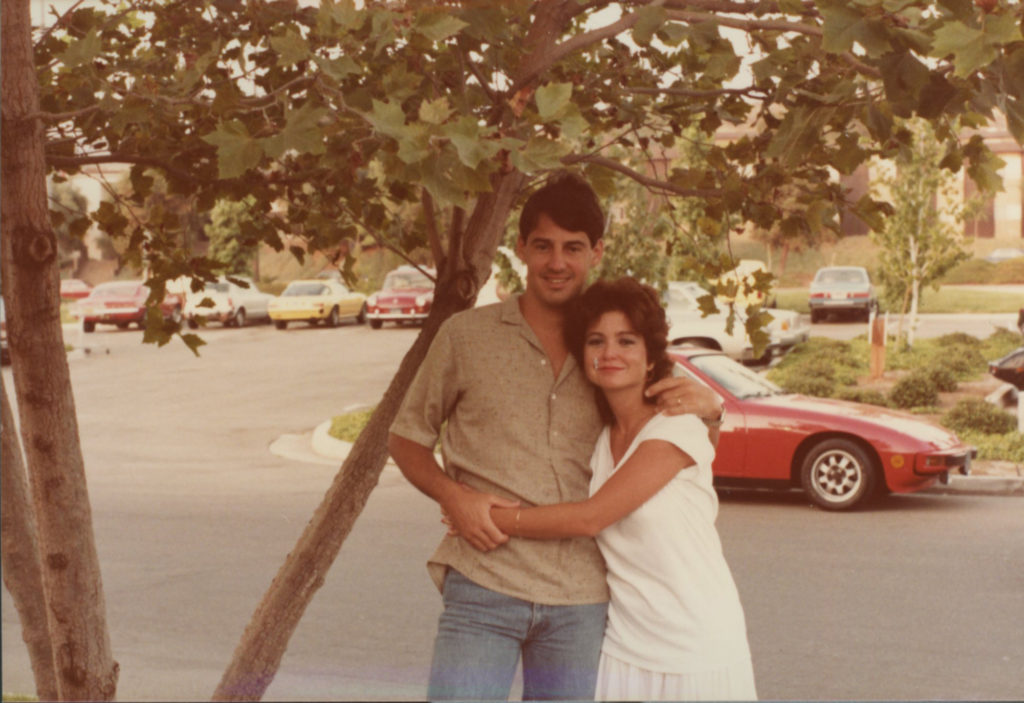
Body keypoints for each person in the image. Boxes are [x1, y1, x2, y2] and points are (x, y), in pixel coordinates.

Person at [388, 173, 725, 701]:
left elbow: (680, 441)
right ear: (520, 248)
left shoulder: (611, 349)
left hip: (583, 601)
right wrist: (454, 496)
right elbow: (406, 438)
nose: (557, 262)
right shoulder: (466, 338)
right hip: (483, 584)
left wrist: (715, 407)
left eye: (573, 248)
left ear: (597, 251)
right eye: (542, 246)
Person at [469, 277, 756, 701]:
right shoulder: (601, 439)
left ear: (650, 355)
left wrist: (485, 517)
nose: (609, 354)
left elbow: (590, 518)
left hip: (696, 645)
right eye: (595, 341)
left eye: (626, 341)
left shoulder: (676, 427)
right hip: (625, 645)